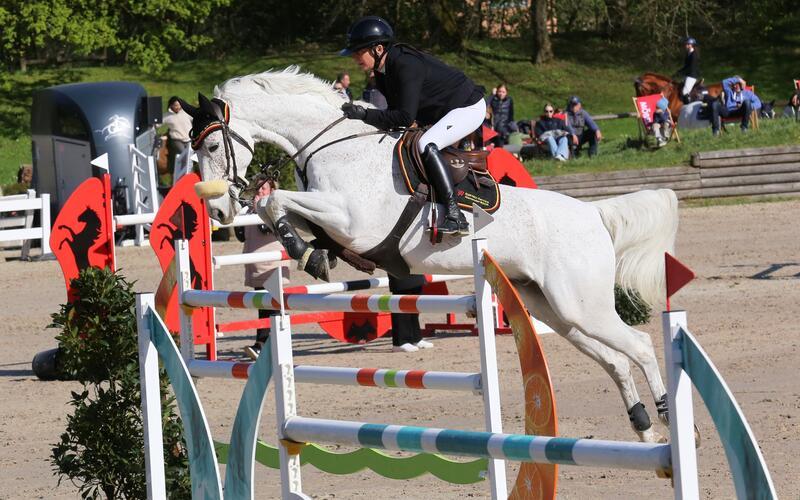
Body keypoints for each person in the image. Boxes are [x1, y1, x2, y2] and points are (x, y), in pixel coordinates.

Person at [338, 15, 486, 236]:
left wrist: (364, 114)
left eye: (359, 51)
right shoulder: (381, 72)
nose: (355, 58)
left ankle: (456, 215)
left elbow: (404, 117)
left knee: (427, 142)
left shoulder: (405, 63)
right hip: (440, 112)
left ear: (378, 49)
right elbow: (395, 116)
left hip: (468, 107)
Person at [241, 177, 290, 361]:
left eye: (264, 189)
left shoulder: (273, 208)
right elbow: (240, 235)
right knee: (262, 307)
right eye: (258, 189)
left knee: (274, 308)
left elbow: (265, 229)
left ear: (271, 190)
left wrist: (257, 209)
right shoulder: (251, 210)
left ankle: (265, 345)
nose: (260, 192)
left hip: (273, 266)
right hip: (257, 267)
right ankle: (262, 344)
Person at [388, 275, 434, 352]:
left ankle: (415, 338)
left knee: (415, 302)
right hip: (399, 269)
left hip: (414, 268)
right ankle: (400, 342)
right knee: (402, 300)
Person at [162, 96, 193, 176]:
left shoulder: (186, 112)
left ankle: (190, 173)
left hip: (189, 139)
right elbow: (157, 124)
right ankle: (183, 174)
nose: (177, 107)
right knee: (184, 155)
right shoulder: (167, 116)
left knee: (192, 156)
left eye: (179, 105)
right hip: (177, 140)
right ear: (171, 105)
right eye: (175, 105)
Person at [673, 37, 700, 104]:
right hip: (688, 75)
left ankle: (688, 106)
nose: (686, 45)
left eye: (688, 44)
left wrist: (681, 72)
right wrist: (678, 72)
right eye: (686, 44)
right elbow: (686, 66)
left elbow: (691, 67)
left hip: (692, 76)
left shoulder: (694, 54)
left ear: (692, 45)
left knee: (685, 91)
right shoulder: (688, 53)